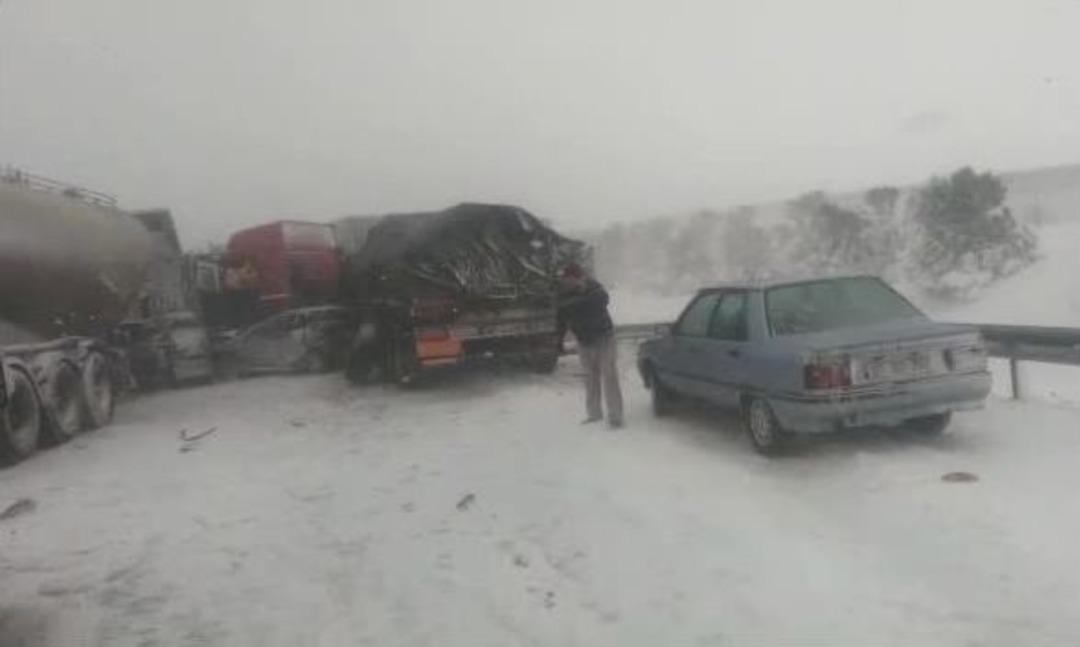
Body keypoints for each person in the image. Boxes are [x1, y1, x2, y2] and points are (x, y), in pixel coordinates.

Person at [558, 263, 624, 429]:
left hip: (604, 338)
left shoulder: (594, 288)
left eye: (570, 279)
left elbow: (601, 299)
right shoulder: (563, 294)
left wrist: (579, 296)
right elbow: (561, 317)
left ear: (579, 277)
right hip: (584, 341)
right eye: (565, 280)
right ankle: (594, 414)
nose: (567, 283)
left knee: (609, 376)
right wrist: (558, 340)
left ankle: (616, 417)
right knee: (590, 378)